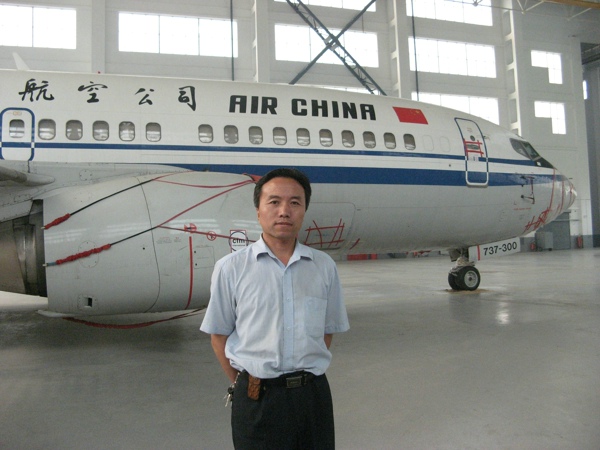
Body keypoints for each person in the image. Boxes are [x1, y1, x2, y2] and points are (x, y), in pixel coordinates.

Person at [200, 167, 350, 449]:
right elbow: (218, 335)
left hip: (312, 397)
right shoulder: (231, 268)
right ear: (258, 210)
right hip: (257, 399)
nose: (284, 211)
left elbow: (326, 332)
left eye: (295, 203)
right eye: (274, 202)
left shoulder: (324, 267)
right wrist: (249, 382)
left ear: (304, 210)